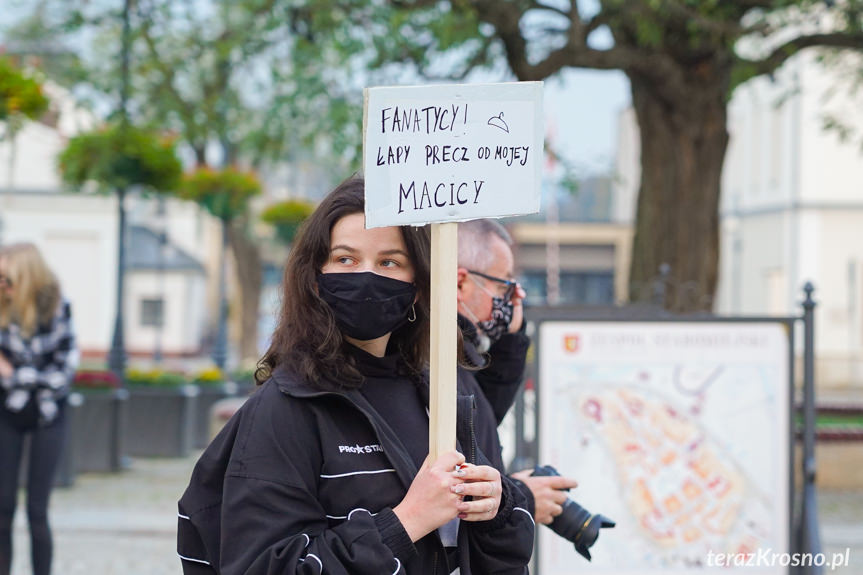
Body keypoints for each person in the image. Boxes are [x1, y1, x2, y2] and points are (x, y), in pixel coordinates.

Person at [178, 177, 534, 575]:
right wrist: (406, 522)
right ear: (315, 276)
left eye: (389, 262)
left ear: (417, 285)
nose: (367, 276)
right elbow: (262, 565)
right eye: (346, 259)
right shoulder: (284, 409)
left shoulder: (440, 393)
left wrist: (498, 506)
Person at [456, 219, 579, 526]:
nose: (512, 299)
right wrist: (521, 497)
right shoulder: (432, 361)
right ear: (460, 283)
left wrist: (511, 337)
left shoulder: (456, 356)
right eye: (502, 286)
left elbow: (482, 419)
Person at [0, 243, 78, 575]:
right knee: (2, 509)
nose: (2, 284)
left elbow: (62, 375)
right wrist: (28, 378)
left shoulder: (58, 309)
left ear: (26, 277)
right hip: (7, 412)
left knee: (37, 510)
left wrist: (14, 374)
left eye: (6, 277)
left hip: (50, 413)